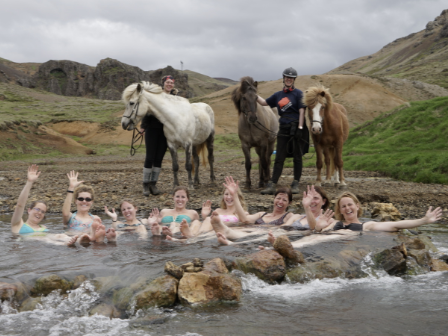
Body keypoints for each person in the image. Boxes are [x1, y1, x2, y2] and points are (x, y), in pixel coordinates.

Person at [11, 165, 105, 246]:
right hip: (33, 242)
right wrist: (29, 182)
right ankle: (70, 242)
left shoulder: (43, 228)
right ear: (29, 210)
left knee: (60, 236)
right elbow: (20, 205)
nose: (39, 213)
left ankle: (87, 238)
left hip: (43, 246)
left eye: (43, 212)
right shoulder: (18, 224)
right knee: (46, 239)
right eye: (37, 209)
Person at [212, 177, 318, 245]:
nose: (280, 202)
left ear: (289, 203)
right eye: (278, 198)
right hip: (254, 235)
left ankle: (228, 236)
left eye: (284, 200)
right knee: (245, 228)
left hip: (270, 237)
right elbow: (244, 219)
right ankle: (226, 233)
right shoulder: (262, 214)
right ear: (274, 199)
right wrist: (235, 196)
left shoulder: (290, 216)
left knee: (257, 232)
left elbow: (312, 226)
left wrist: (307, 207)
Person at [257, 67, 309, 195]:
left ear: (294, 80)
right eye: (287, 77)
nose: (289, 79)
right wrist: (253, 94)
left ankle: (296, 183)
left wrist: (300, 128)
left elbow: (302, 111)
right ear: (284, 79)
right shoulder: (278, 95)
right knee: (279, 157)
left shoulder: (299, 94)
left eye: (291, 78)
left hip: (296, 127)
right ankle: (272, 184)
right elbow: (264, 103)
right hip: (283, 128)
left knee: (297, 157)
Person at [140, 75, 178, 196]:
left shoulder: (174, 98)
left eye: (171, 83)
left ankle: (153, 184)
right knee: (150, 157)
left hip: (165, 131)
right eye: (167, 82)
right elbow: (148, 110)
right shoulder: (156, 95)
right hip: (152, 129)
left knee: (159, 158)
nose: (169, 84)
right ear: (163, 83)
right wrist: (143, 126)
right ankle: (145, 185)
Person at [332, 191, 442, 232]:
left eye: (350, 205)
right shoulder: (333, 223)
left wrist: (424, 220)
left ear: (357, 206)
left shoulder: (367, 225)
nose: (347, 208)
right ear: (340, 210)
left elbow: (396, 225)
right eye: (343, 206)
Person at [178, 184, 249, 238]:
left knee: (209, 219)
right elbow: (207, 224)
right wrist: (204, 216)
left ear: (237, 197)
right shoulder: (218, 210)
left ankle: (191, 236)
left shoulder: (242, 214)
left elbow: (245, 223)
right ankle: (189, 235)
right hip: (209, 232)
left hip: (225, 232)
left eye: (231, 194)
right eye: (226, 194)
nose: (229, 197)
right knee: (197, 221)